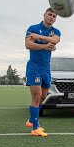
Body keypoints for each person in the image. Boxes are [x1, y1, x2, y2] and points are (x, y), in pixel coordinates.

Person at [24, 8, 61, 137]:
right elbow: (28, 45)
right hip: (34, 67)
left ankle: (31, 120)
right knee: (36, 96)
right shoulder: (33, 28)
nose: (51, 17)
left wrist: (38, 38)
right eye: (49, 14)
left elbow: (55, 40)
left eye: (54, 16)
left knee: (43, 97)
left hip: (46, 68)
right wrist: (45, 45)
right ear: (44, 15)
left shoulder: (56, 31)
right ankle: (35, 128)